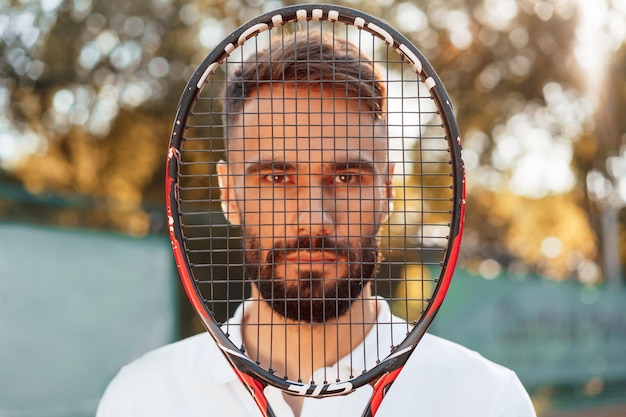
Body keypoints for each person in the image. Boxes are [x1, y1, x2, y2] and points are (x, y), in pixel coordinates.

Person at [97, 31, 537, 417]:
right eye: (275, 178)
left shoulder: (487, 401)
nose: (313, 219)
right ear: (228, 193)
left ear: (387, 192)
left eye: (346, 178)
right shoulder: (140, 400)